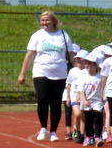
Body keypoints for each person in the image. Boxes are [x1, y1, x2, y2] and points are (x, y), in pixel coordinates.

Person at [18, 10, 75, 141]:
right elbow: (30, 55)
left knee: (56, 102)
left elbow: (71, 54)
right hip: (41, 71)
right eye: (42, 20)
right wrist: (22, 73)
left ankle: (53, 131)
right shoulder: (37, 36)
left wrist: (77, 68)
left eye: (47, 20)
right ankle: (43, 128)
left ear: (54, 21)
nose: (44, 23)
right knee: (42, 98)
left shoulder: (63, 35)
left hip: (60, 73)